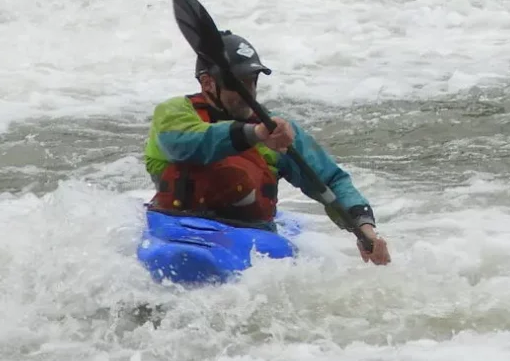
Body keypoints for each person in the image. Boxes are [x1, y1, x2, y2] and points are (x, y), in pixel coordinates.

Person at [145, 29, 392, 264]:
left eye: (252, 81)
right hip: (177, 225)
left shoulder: (277, 131)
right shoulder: (174, 113)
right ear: (208, 83)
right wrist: (256, 134)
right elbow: (188, 143)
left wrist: (364, 228)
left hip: (250, 235)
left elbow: (330, 180)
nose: (249, 91)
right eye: (238, 82)